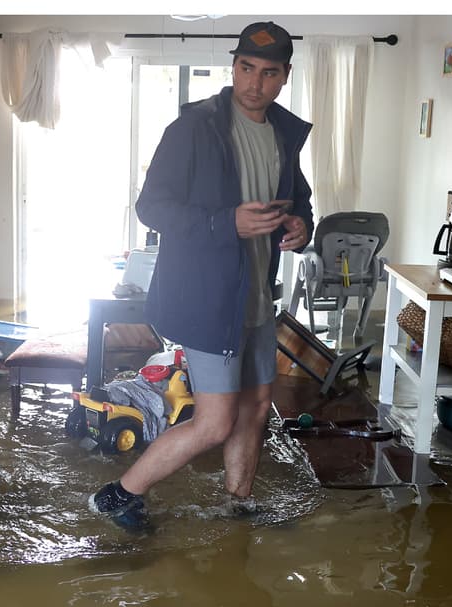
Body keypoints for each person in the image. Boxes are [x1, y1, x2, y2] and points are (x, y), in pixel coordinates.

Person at [89, 21, 314, 531]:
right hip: (209, 300)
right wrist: (224, 222)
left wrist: (303, 225)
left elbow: (298, 198)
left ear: (284, 77)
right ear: (234, 67)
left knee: (257, 406)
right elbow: (151, 208)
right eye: (246, 68)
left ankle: (238, 503)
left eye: (269, 72)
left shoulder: (284, 132)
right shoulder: (193, 129)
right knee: (215, 422)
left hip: (257, 294)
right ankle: (118, 495)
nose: (255, 82)